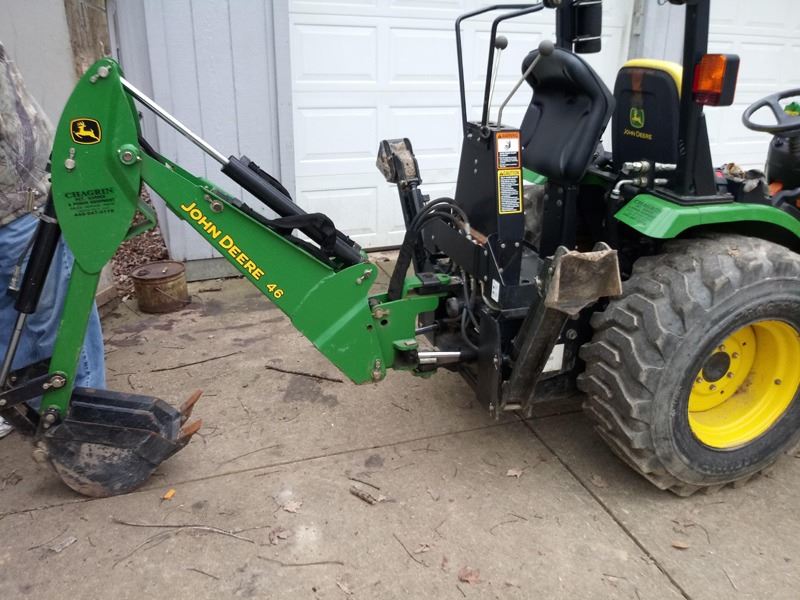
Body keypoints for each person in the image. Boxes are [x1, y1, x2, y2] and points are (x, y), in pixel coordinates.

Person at [0, 42, 105, 438]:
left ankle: (26, 409)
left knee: (9, 317)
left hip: (15, 206)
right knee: (60, 320)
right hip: (19, 208)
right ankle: (82, 419)